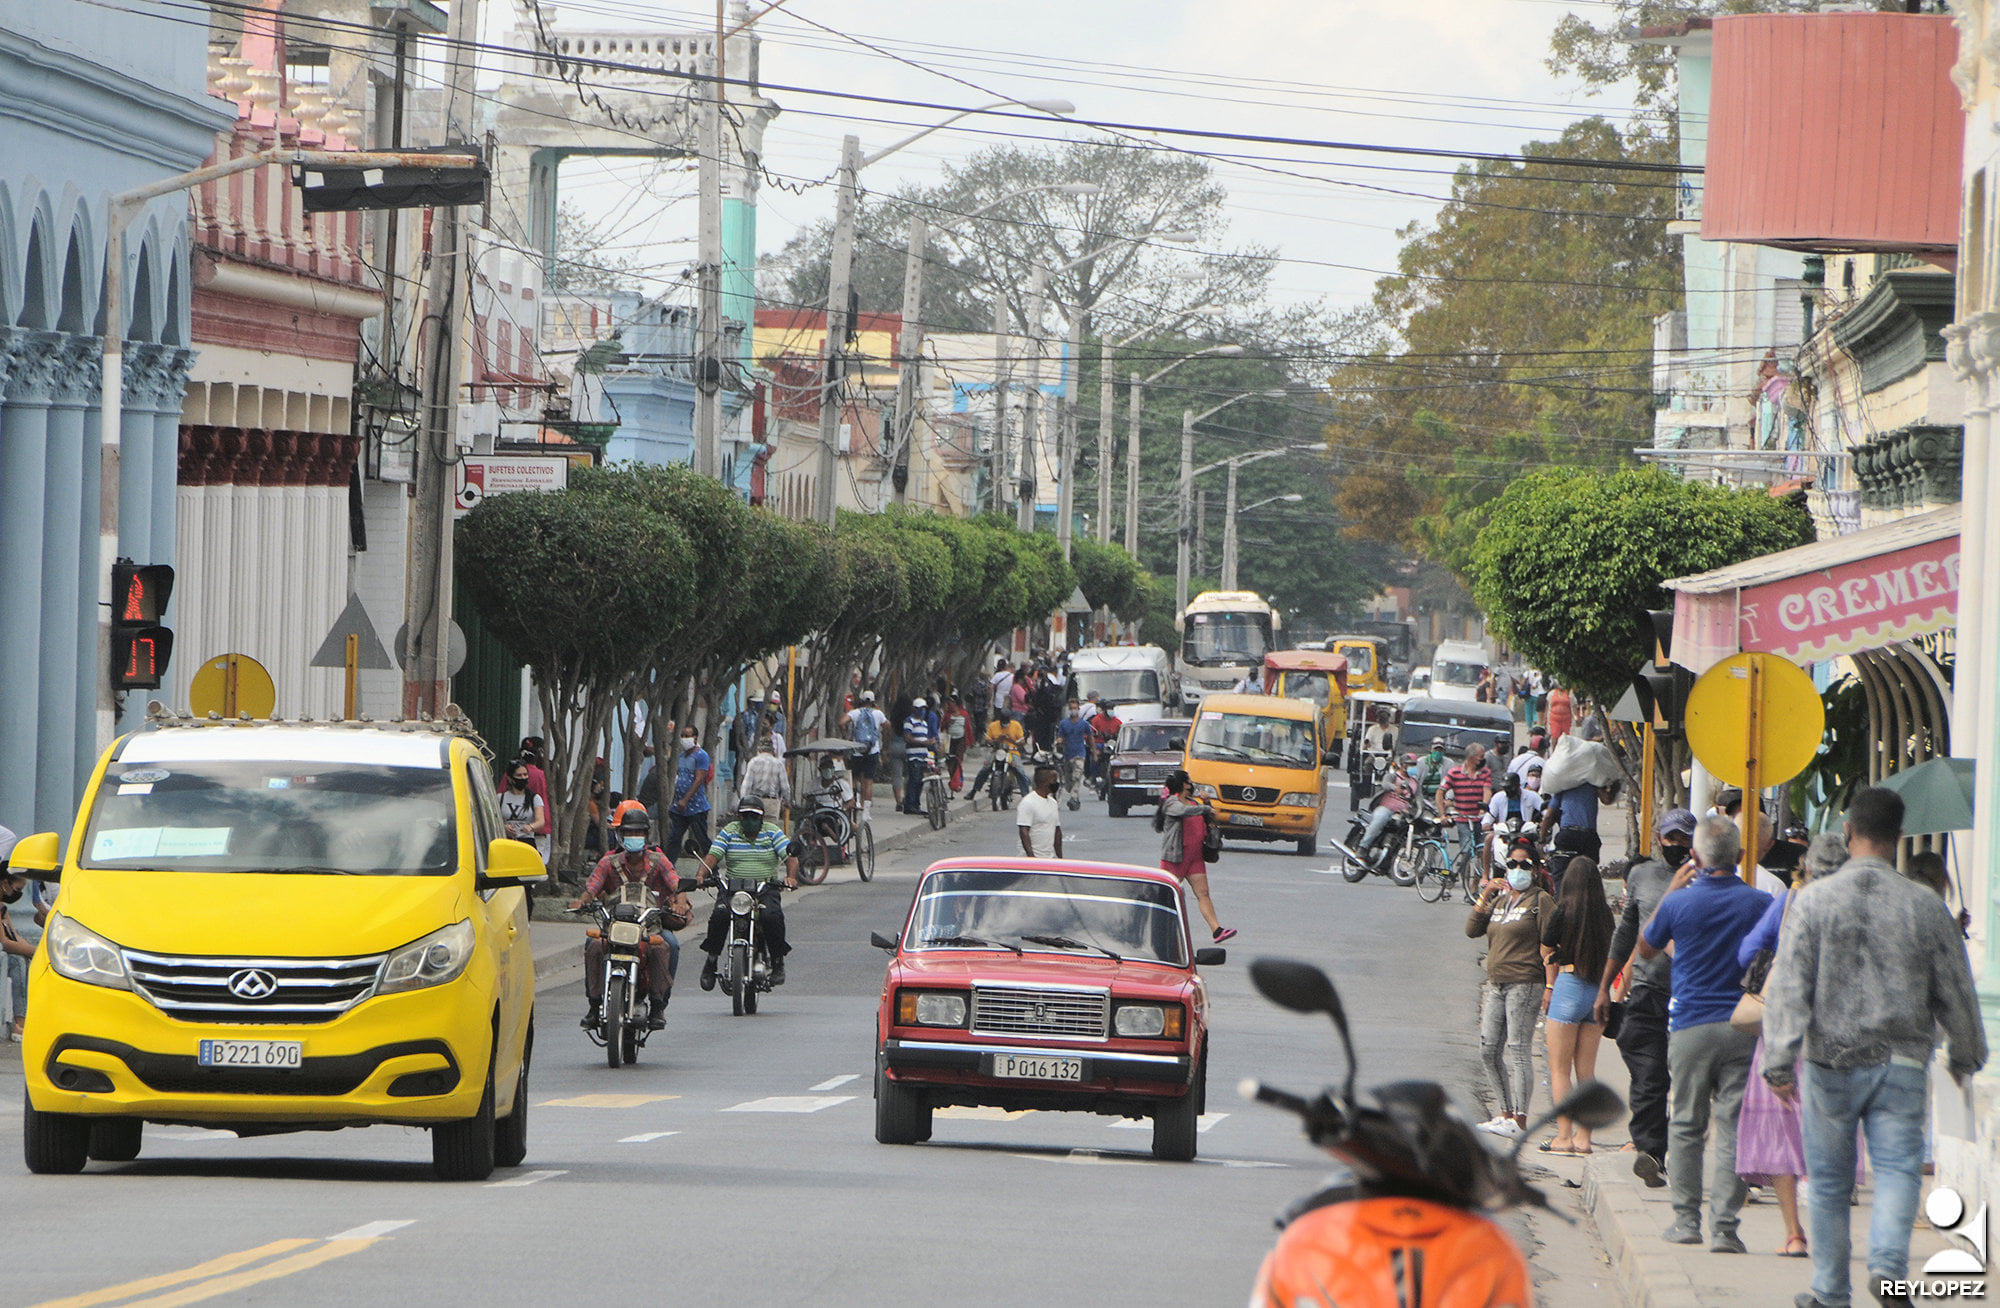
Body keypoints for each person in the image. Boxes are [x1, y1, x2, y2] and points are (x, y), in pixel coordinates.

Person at [1763, 788, 1987, 1308]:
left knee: (1828, 1182)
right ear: (1899, 839)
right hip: (1902, 1062)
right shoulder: (1926, 906)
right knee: (1898, 1170)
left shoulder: (1815, 900)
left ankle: (1830, 1291)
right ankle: (1887, 1269)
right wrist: (1965, 1054)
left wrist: (1779, 1061)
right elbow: (1955, 988)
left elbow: (1791, 986)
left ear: (1847, 833)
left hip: (1828, 1060)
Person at [1637, 815, 1774, 1254]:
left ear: (1694, 856)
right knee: (1734, 1128)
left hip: (1691, 1026)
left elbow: (1646, 948)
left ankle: (1685, 1221)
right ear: (1739, 857)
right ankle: (1725, 1229)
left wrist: (1671, 893)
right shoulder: (1757, 902)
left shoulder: (1679, 904)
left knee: (1686, 1125)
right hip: (1742, 1027)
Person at [1734, 833, 1851, 1260]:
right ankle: (1830, 1234)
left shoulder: (1788, 904)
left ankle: (1794, 1233)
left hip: (1784, 1030)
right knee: (1830, 1134)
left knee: (1782, 1134)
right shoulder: (1855, 908)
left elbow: (1746, 952)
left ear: (1805, 868)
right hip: (1837, 1036)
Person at [1597, 806, 1697, 1188]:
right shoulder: (1641, 875)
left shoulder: (1704, 879)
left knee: (1688, 1084)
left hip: (1691, 997)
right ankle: (1651, 1151)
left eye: (1684, 839)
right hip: (1647, 991)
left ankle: (1677, 1151)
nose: (1677, 846)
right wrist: (1606, 987)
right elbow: (1627, 934)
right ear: (1659, 839)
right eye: (1671, 838)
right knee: (1649, 1076)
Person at [567, 808, 688, 1031]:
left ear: (646, 835)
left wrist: (680, 901)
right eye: (630, 833)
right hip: (614, 927)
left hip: (649, 927)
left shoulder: (659, 861)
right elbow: (592, 888)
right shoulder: (608, 862)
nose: (634, 837)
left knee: (668, 945)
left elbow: (676, 884)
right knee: (593, 946)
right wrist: (582, 901)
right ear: (621, 836)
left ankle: (659, 1005)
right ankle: (594, 1005)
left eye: (639, 833)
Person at [1467, 836, 1554, 1138]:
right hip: (1497, 982)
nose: (1517, 869)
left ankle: (1520, 1119)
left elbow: (1552, 941)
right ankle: (1504, 1113)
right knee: (1489, 1049)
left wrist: (1549, 985)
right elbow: (1472, 930)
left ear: (1535, 869)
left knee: (1518, 1049)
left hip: (1525, 982)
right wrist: (1487, 893)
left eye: (1524, 865)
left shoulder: (1539, 900)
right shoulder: (1501, 900)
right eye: (1512, 864)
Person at [1540, 855, 1614, 1155]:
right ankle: (1585, 1139)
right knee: (1587, 1072)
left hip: (1569, 985)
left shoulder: (1563, 911)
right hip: (1596, 990)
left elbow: (1546, 946)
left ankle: (1564, 1136)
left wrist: (1555, 957)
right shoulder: (1605, 916)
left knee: (1559, 1070)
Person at [695, 800, 799, 989]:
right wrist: (701, 875)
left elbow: (790, 857)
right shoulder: (729, 831)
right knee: (720, 915)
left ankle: (777, 962)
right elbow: (713, 855)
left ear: (761, 818)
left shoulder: (772, 831)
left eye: (754, 816)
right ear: (739, 817)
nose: (749, 820)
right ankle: (710, 962)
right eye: (745, 816)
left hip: (765, 889)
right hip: (733, 890)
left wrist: (791, 878)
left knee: (771, 917)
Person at [1156, 769, 1234, 943]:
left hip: (1195, 858)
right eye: (1188, 781)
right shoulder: (1172, 803)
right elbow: (1184, 812)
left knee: (1203, 894)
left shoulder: (1193, 803)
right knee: (1167, 896)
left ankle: (1217, 930)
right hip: (1175, 858)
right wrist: (1205, 807)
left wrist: (1207, 803)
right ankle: (1161, 931)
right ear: (1183, 784)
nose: (1191, 784)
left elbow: (1209, 820)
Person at [1438, 743, 1493, 875]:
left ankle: (1475, 882)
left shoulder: (1485, 773)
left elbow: (1487, 791)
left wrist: (1483, 807)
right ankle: (1465, 875)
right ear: (1471, 758)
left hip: (1478, 817)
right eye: (1480, 757)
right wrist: (1442, 814)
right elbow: (1440, 792)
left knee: (1481, 849)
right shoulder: (1454, 772)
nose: (1483, 759)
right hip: (1462, 817)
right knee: (1467, 847)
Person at [1357, 754, 1420, 860]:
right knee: (1380, 819)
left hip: (1402, 813)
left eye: (1414, 765)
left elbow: (1419, 799)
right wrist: (1394, 788)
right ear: (1403, 765)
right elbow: (1385, 784)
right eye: (1410, 765)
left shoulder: (1415, 783)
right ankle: (1363, 847)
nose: (1412, 767)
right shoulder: (1393, 776)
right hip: (1386, 808)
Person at [1, 828, 30, 1039]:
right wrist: (32, 950)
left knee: (26, 958)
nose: (17, 895)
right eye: (17, 889)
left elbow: (14, 935)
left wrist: (34, 950)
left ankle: (27, 1016)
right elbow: (6, 943)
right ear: (5, 883)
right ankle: (20, 1021)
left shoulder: (4, 908)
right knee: (17, 961)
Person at [844, 690, 889, 821]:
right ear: (873, 701)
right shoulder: (878, 714)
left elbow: (841, 722)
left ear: (861, 700)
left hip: (856, 750)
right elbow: (888, 726)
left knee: (854, 779)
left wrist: (846, 735)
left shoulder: (855, 713)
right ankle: (866, 812)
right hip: (872, 750)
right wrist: (885, 743)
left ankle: (855, 802)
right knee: (868, 782)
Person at [498, 758, 550, 867]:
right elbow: (493, 820)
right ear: (510, 778)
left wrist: (531, 827)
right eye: (519, 775)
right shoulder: (500, 798)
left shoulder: (534, 798)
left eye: (525, 775)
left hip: (527, 842)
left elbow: (540, 821)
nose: (523, 778)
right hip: (506, 843)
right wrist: (503, 827)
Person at [901, 696, 939, 816]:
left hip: (923, 755)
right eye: (920, 708)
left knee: (920, 781)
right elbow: (907, 738)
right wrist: (923, 743)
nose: (922, 711)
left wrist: (930, 743)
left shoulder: (924, 723)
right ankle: (910, 804)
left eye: (923, 708)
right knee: (914, 780)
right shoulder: (909, 721)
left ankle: (916, 804)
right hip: (914, 756)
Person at [1017, 765, 1064, 859]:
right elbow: (1024, 831)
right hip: (1031, 860)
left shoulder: (1053, 803)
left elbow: (1057, 832)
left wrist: (1060, 858)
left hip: (1049, 858)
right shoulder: (1028, 803)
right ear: (1045, 782)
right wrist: (1031, 858)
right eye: (1054, 781)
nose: (1056, 784)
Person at [736, 733, 789, 815]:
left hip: (755, 802)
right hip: (772, 803)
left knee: (755, 826)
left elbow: (746, 786)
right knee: (770, 827)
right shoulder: (779, 764)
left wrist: (742, 802)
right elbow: (785, 787)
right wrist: (787, 801)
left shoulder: (753, 762)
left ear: (759, 750)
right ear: (772, 750)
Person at [1055, 700, 1093, 811]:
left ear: (1078, 709)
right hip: (1068, 755)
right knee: (1068, 781)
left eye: (1075, 708)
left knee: (1077, 775)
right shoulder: (1063, 724)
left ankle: (1073, 797)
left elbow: (1090, 738)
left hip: (1080, 754)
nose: (1073, 710)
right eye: (1071, 708)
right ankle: (1074, 795)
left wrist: (1094, 752)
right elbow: (1060, 736)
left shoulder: (1084, 724)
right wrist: (1059, 741)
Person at [990, 657, 1015, 724]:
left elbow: (991, 687)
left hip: (998, 700)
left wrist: (989, 699)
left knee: (997, 720)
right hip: (1007, 701)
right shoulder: (1012, 676)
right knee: (1006, 719)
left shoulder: (997, 675)